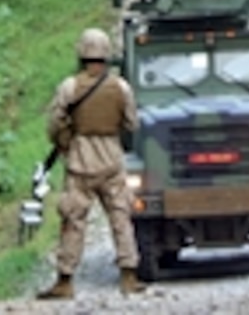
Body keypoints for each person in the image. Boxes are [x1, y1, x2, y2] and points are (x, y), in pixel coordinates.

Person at [37, 28, 146, 300]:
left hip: (80, 159)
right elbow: (133, 123)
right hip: (111, 158)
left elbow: (54, 124)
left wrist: (64, 142)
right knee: (121, 218)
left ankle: (65, 280)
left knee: (73, 221)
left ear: (81, 54)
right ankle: (129, 276)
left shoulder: (69, 87)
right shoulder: (121, 87)